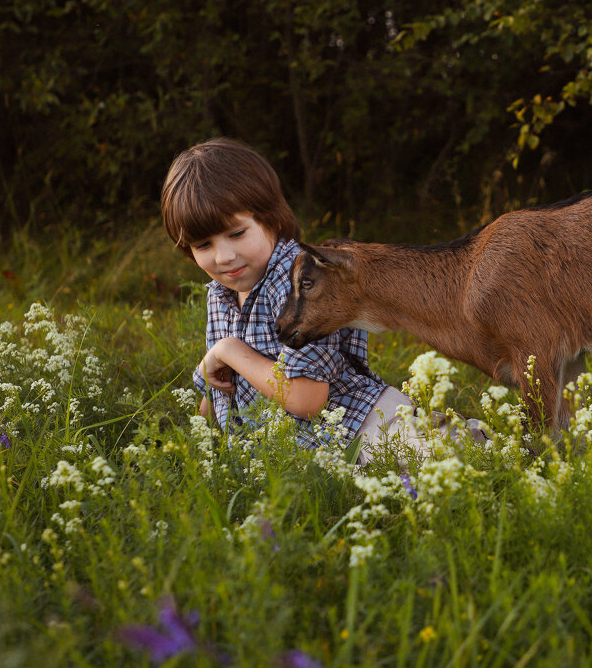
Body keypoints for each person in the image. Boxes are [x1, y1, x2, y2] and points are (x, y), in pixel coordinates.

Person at [161, 137, 455, 464]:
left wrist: (228, 351)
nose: (224, 257)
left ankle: (487, 440)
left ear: (271, 219)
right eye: (203, 245)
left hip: (361, 428)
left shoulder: (303, 279)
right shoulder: (220, 294)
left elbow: (306, 398)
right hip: (296, 460)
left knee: (448, 460)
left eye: (237, 233)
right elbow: (221, 390)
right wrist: (195, 441)